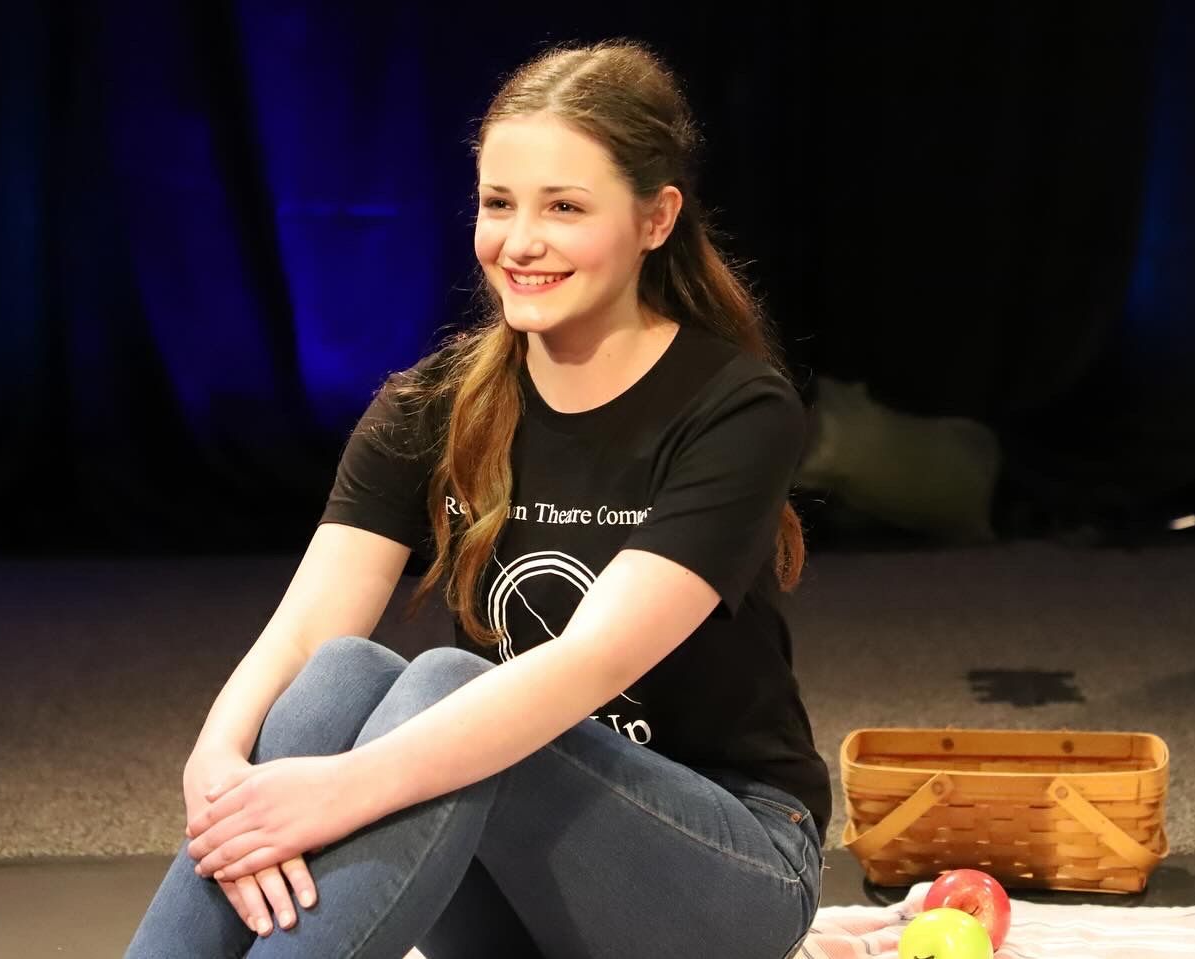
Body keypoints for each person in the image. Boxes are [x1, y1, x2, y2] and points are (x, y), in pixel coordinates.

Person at [125, 38, 830, 959]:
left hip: (717, 872)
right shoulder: (433, 404)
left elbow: (586, 664)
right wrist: (215, 766)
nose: (519, 242)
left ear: (657, 220)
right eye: (499, 203)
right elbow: (301, 639)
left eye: (565, 207)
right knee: (340, 674)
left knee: (448, 683)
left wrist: (345, 788)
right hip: (496, 852)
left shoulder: (735, 407)